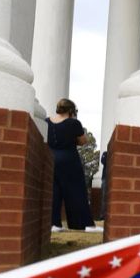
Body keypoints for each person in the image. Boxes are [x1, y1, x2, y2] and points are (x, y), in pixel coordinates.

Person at [46, 98, 100, 233]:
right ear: (70, 110)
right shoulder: (73, 123)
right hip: (69, 159)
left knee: (54, 191)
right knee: (77, 191)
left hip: (52, 158)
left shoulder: (47, 121)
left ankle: (54, 224)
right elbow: (83, 141)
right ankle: (83, 224)